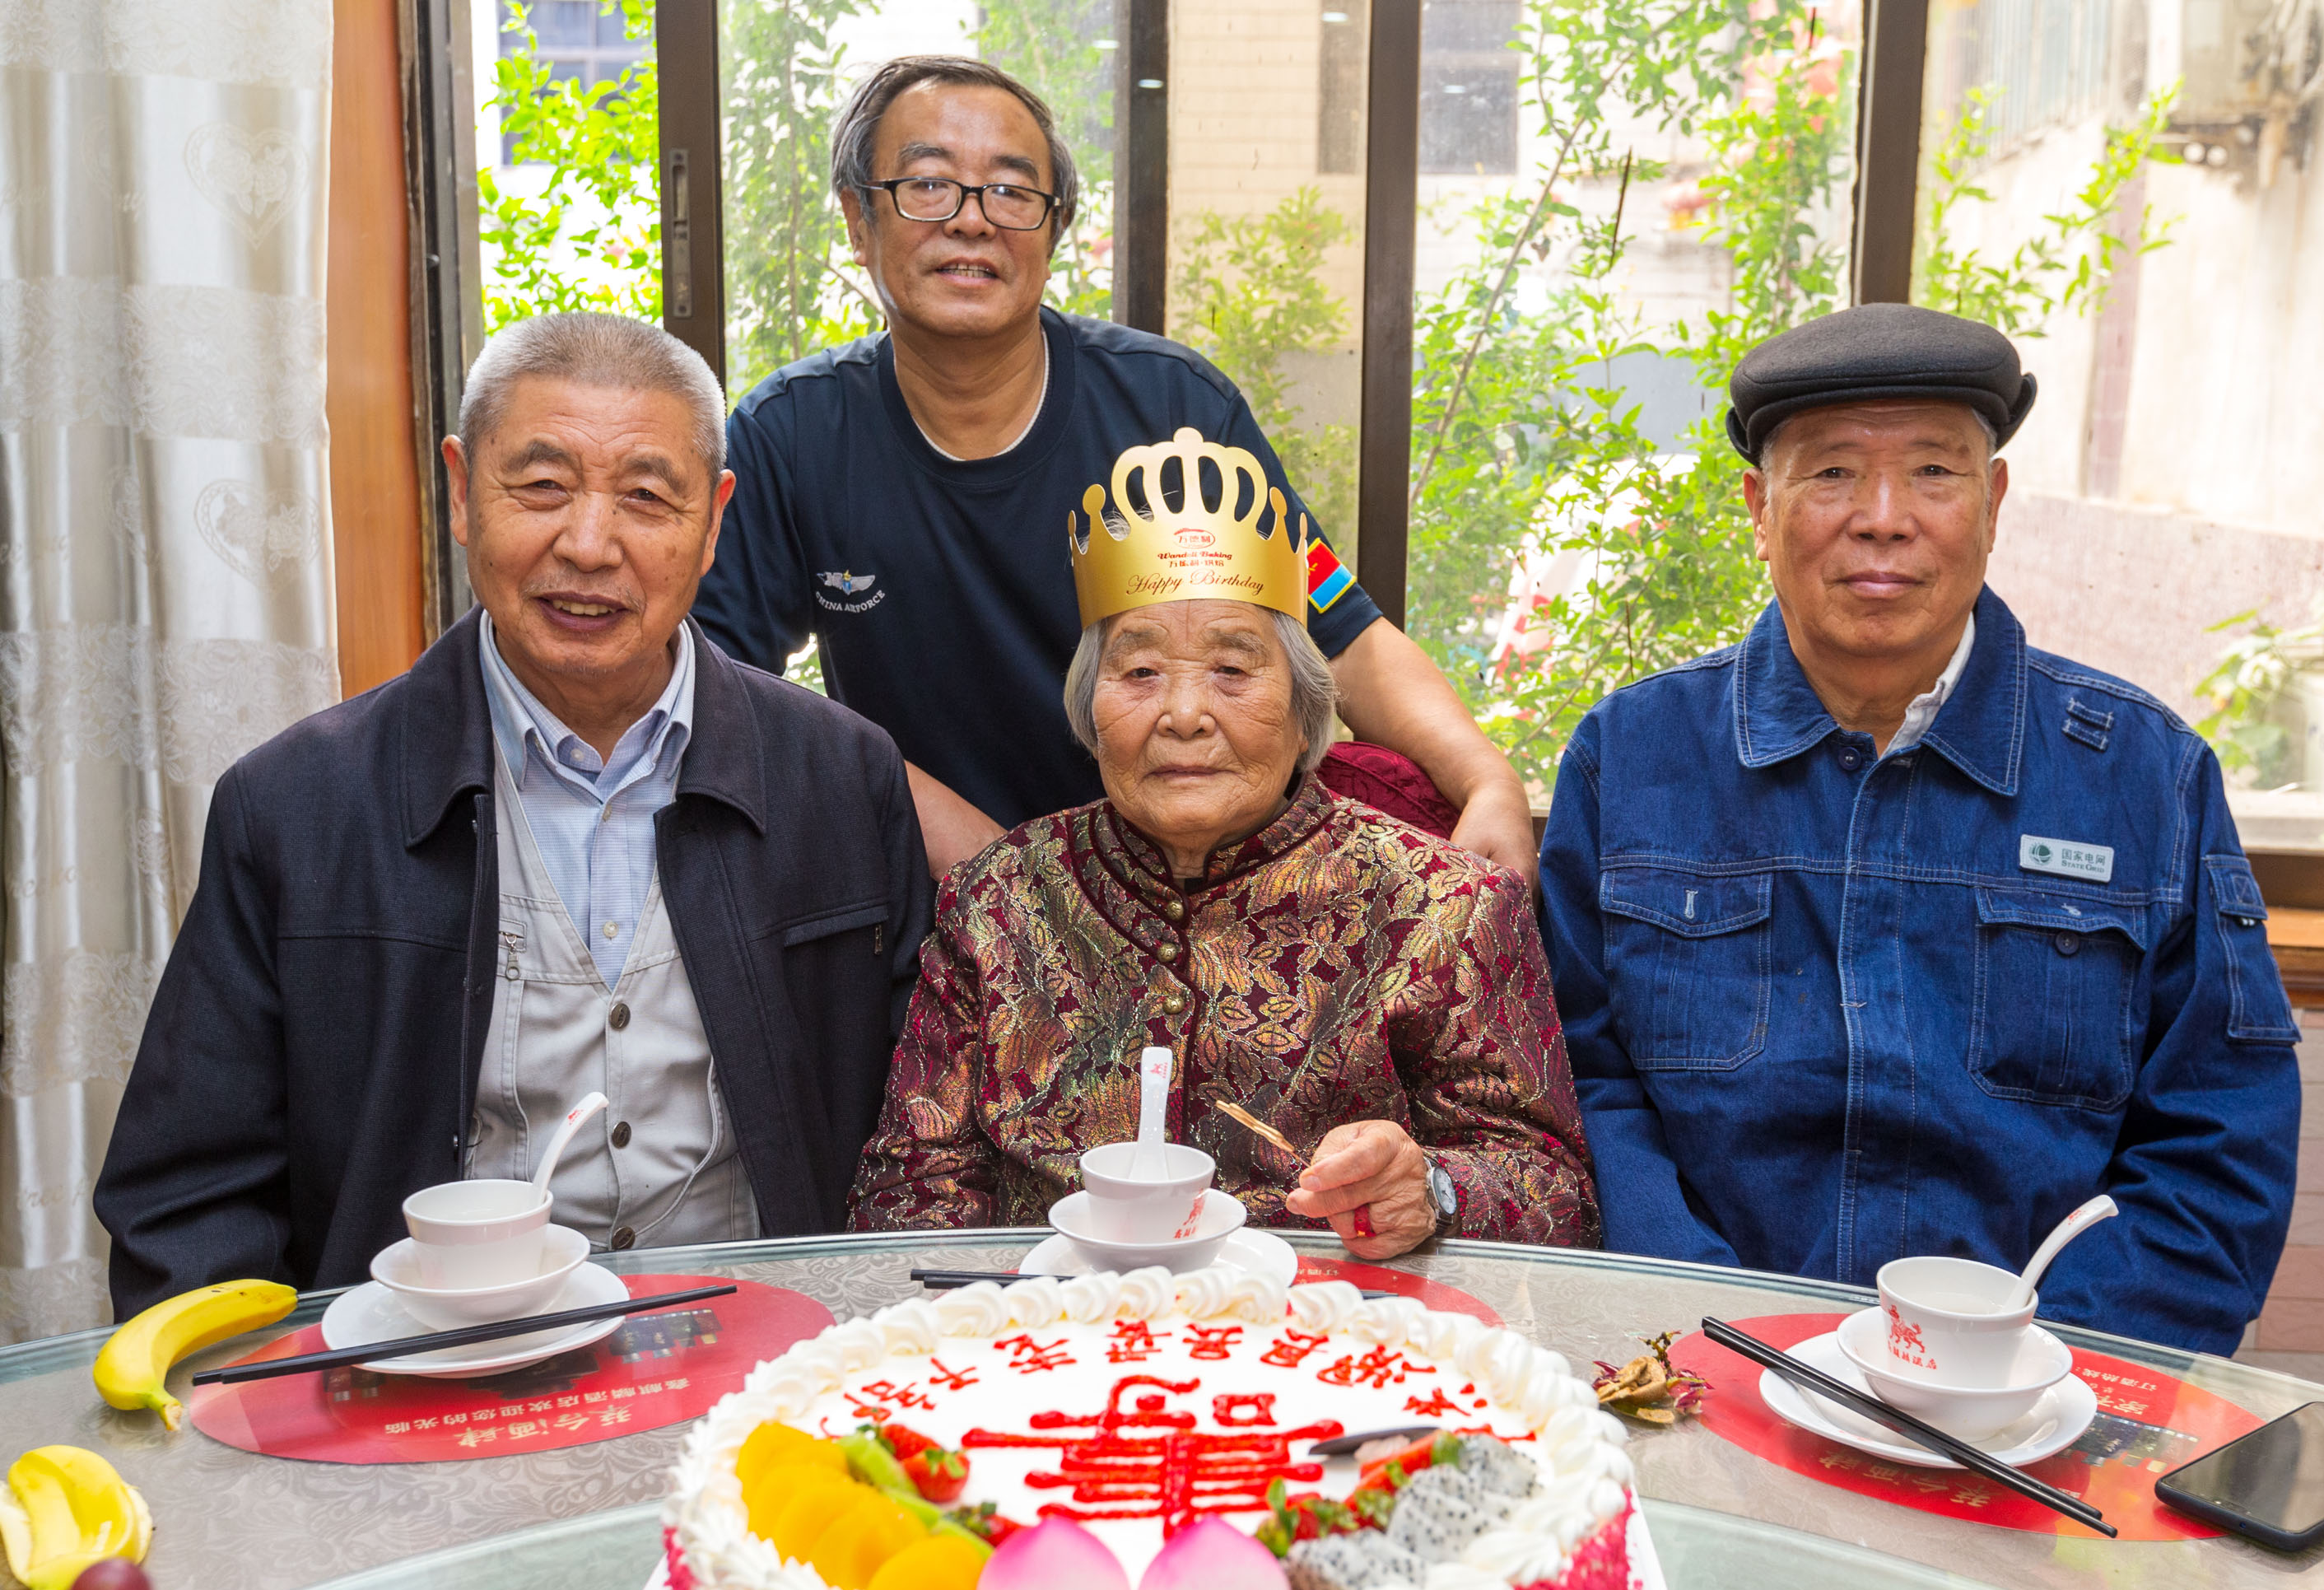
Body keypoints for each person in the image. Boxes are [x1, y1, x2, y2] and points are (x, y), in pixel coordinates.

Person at [95, 314, 933, 1313]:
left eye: (647, 497)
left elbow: (923, 1140)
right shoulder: (295, 808)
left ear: (713, 523)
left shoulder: (839, 778)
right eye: (540, 487)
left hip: (759, 1363)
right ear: (460, 491)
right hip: (422, 1372)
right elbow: (187, 1203)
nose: (588, 544)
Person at [1536, 304, 2301, 1355]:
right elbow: (1577, 1081)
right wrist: (1712, 1332)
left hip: (2032, 1402)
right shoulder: (1631, 758)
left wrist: (2039, 1367)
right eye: (1834, 473)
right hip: (1704, 1369)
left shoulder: (2144, 776)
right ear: (1762, 508)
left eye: (1934, 473)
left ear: (1992, 502)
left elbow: (2218, 1143)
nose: (1883, 517)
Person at [692, 55, 1537, 883]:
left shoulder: (1172, 410)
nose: (972, 220)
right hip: (935, 894)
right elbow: (716, 692)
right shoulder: (791, 433)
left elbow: (1339, 631)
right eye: (928, 184)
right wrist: (990, 870)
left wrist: (1487, 779)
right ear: (856, 217)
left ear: (1054, 227)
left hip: (1184, 890)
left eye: (1014, 191)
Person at [848, 428, 1596, 1257]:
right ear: (1088, 704)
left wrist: (1433, 1187)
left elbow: (1553, 1188)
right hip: (1060, 1342)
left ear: (1306, 704)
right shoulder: (997, 899)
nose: (1184, 712)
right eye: (1139, 672)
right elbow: (908, 1188)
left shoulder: (1443, 904)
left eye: (1234, 670)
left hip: (1336, 1347)